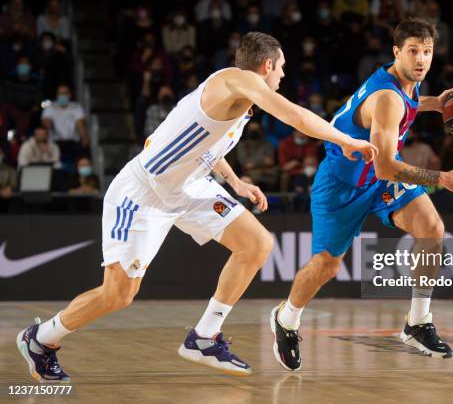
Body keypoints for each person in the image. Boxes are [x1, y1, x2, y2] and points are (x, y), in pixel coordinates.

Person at [16, 31, 376, 382]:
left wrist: (235, 182)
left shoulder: (237, 99)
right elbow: (296, 117)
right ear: (266, 65)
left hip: (189, 189)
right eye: (281, 67)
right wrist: (347, 141)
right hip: (142, 195)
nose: (283, 74)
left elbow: (202, 145)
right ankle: (41, 338)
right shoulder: (236, 80)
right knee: (119, 294)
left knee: (257, 243)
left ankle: (205, 336)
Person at [269, 18, 453, 371]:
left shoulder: (408, 82)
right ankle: (287, 317)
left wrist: (436, 103)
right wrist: (442, 178)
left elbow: (406, 115)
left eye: (427, 52)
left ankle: (417, 321)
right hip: (344, 183)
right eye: (413, 51)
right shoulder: (387, 98)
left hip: (380, 176)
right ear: (396, 52)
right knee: (327, 265)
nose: (421, 59)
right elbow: (387, 165)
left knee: (432, 229)